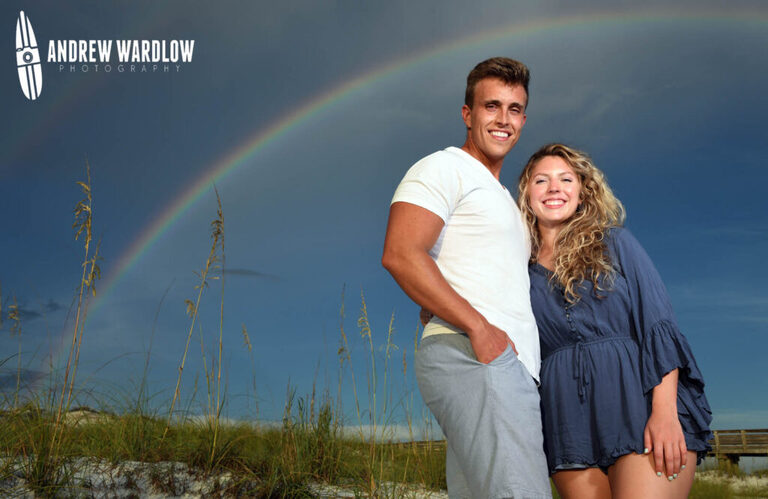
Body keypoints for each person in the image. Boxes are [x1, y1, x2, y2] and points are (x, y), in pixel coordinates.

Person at [382, 57, 551, 498]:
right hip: (478, 356)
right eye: (491, 106)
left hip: (495, 363)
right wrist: (478, 327)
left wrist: (437, 303)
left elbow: (462, 265)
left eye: (514, 109)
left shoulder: (505, 200)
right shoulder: (444, 167)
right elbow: (401, 254)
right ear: (467, 114)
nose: (503, 119)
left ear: (524, 118)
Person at [518, 143, 712, 498]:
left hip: (642, 410)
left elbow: (659, 325)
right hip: (568, 425)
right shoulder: (519, 273)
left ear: (582, 191)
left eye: (565, 179)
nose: (554, 188)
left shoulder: (616, 244)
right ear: (526, 195)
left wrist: (665, 412)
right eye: (541, 181)